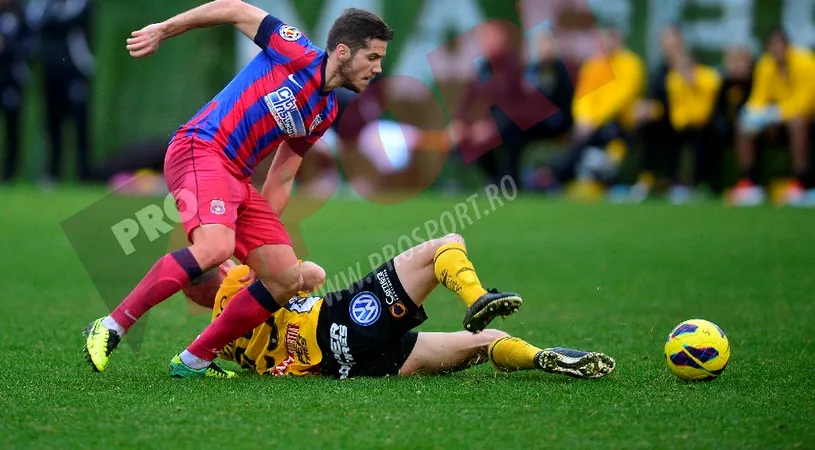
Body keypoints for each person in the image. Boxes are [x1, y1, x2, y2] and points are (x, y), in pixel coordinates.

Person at [83, 1, 519, 378]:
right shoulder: (292, 49)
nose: (378, 68)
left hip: (236, 176)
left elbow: (283, 175)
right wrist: (164, 29)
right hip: (201, 148)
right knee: (216, 246)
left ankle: (195, 358)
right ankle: (113, 324)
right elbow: (234, 8)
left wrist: (255, 252)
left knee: (285, 277)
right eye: (372, 57)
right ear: (343, 51)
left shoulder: (324, 110)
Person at [180, 233, 610, 380]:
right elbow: (312, 273)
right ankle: (477, 297)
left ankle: (540, 357)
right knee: (445, 244)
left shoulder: (216, 342)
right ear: (218, 266)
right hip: (339, 325)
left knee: (487, 343)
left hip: (344, 367)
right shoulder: (238, 281)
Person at [731, 29, 815, 206]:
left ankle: (801, 183)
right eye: (772, 47)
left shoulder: (805, 62)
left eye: (780, 46)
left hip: (805, 119)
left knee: (797, 123)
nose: (776, 51)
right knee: (744, 124)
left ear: (787, 47)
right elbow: (759, 97)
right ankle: (749, 183)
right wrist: (752, 113)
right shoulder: (765, 65)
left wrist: (776, 113)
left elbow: (806, 101)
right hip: (778, 120)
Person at [26, 0, 95, 183]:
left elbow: (73, 18)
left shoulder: (79, 4)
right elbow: (33, 19)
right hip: (50, 72)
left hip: (76, 70)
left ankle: (84, 173)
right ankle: (52, 172)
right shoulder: (43, 5)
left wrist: (54, 16)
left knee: (80, 124)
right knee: (52, 123)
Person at [0, 0, 33, 183]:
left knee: (13, 128)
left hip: (11, 80)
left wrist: (6, 47)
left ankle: (10, 173)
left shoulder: (20, 16)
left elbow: (30, 46)